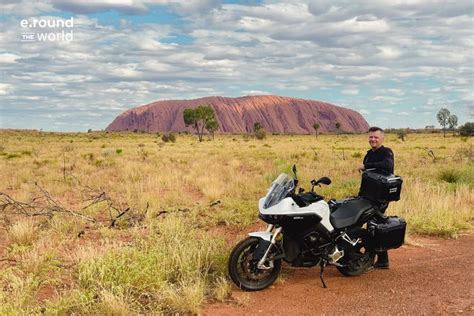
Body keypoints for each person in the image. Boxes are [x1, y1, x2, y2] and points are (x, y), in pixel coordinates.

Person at [358, 126, 394, 269]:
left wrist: (366, 165)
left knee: (374, 226)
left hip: (380, 198)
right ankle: (376, 259)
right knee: (368, 225)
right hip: (368, 196)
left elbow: (387, 166)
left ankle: (378, 260)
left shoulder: (386, 152)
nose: (373, 139)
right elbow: (366, 177)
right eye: (371, 137)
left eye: (376, 137)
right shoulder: (368, 154)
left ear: (382, 139)